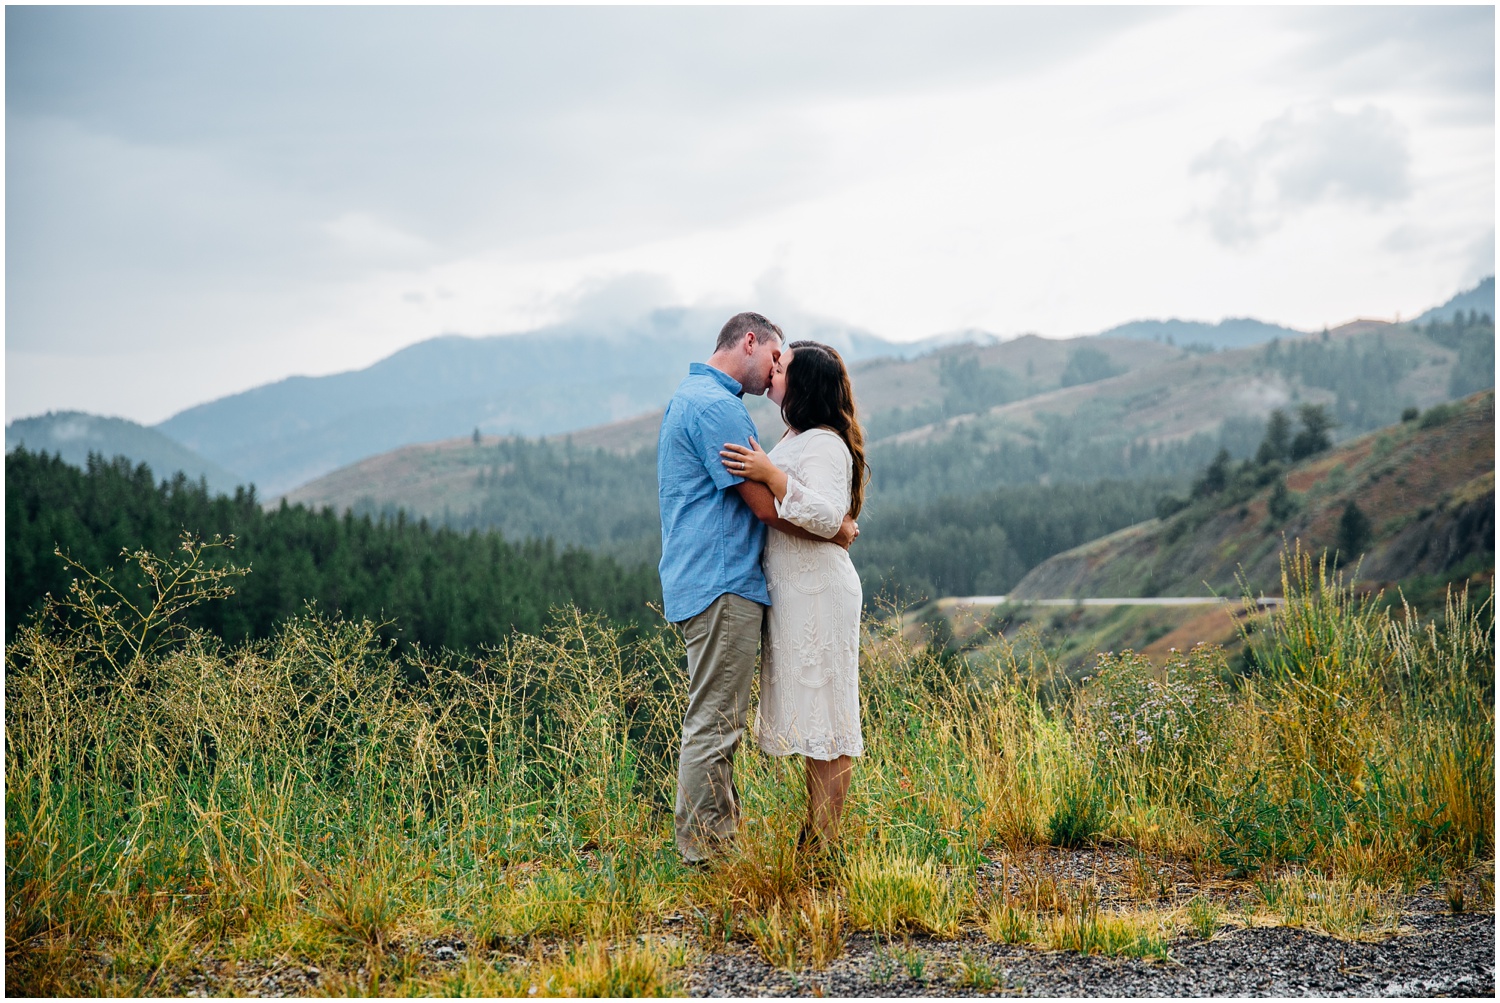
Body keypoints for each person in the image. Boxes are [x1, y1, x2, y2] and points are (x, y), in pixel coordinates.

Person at [657, 313, 858, 867]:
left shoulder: (701, 398)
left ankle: (738, 849)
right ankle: (711, 856)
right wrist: (837, 527)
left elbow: (787, 496)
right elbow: (764, 507)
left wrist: (827, 518)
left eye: (784, 367)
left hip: (754, 585)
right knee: (718, 724)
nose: (774, 371)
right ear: (750, 341)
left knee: (797, 721)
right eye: (774, 358)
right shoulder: (718, 407)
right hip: (723, 581)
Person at [719, 340, 868, 850]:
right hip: (797, 593)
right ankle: (817, 836)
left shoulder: (824, 442)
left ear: (802, 384)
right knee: (814, 718)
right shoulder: (796, 436)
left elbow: (829, 516)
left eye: (782, 366)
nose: (773, 368)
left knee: (829, 715)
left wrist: (771, 475)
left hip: (820, 591)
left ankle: (822, 842)